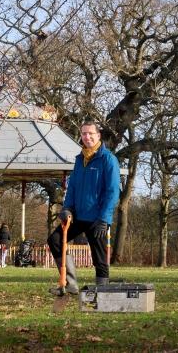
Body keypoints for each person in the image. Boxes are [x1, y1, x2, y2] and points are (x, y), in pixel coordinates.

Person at [47, 121, 120, 295]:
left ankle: (102, 291)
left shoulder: (108, 159)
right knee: (55, 240)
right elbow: (72, 187)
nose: (87, 137)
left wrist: (105, 218)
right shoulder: (80, 159)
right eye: (84, 134)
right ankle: (70, 283)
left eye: (90, 133)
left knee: (99, 258)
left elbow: (112, 191)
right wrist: (67, 208)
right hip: (77, 216)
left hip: (97, 218)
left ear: (98, 135)